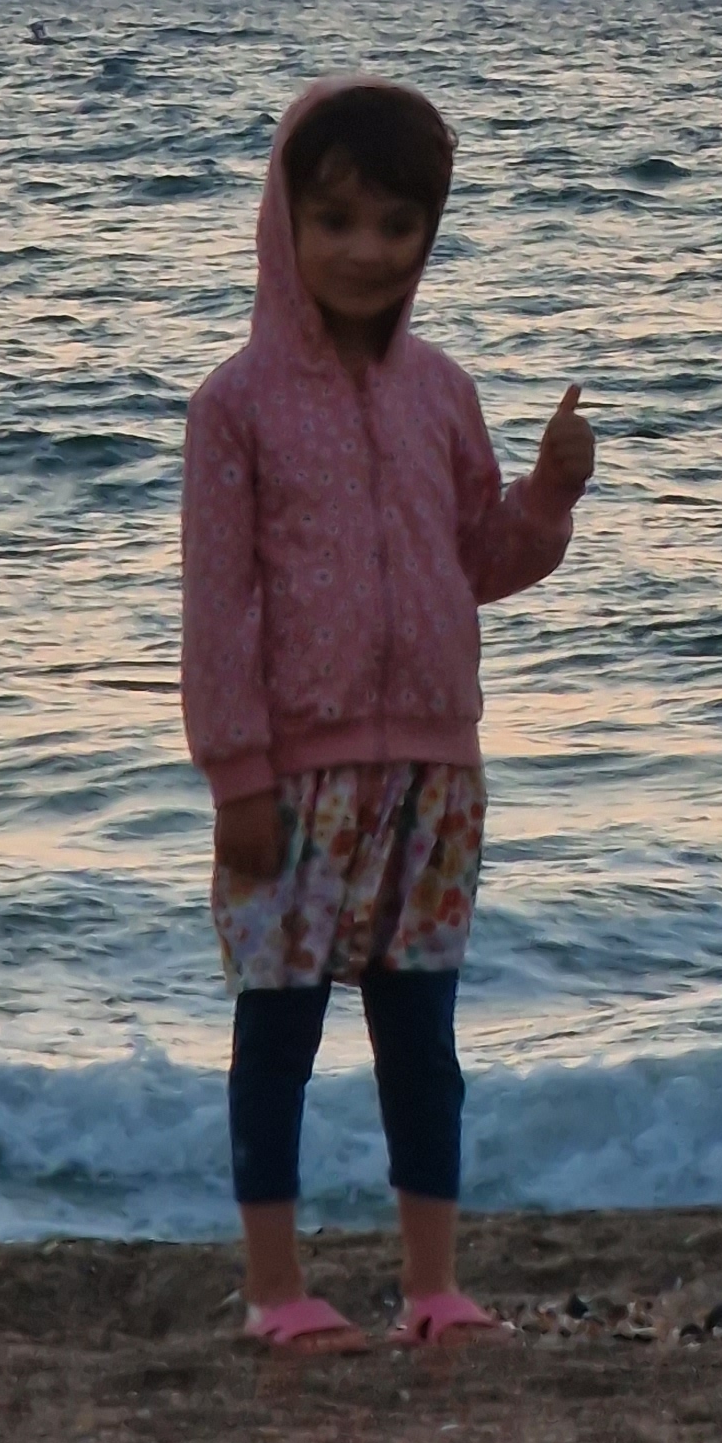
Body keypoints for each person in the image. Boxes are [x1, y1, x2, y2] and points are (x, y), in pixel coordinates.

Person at [181, 76, 595, 1351]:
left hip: (433, 770)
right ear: (284, 222)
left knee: (421, 1034)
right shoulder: (236, 405)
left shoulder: (441, 393)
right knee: (279, 1034)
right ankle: (275, 1289)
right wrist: (237, 774)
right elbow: (218, 608)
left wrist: (548, 497)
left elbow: (477, 559)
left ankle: (431, 1286)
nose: (367, 250)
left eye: (398, 224)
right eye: (336, 220)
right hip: (294, 779)